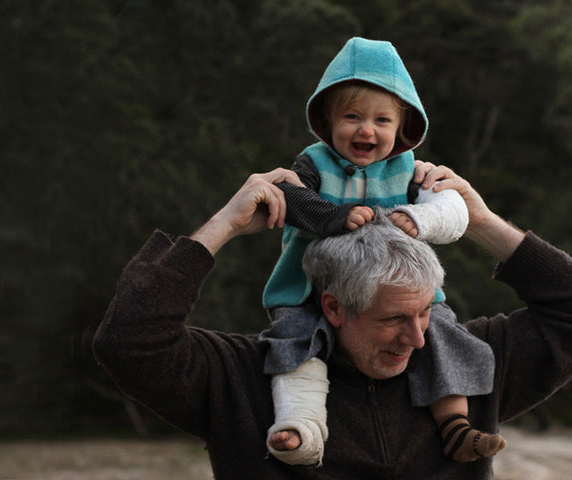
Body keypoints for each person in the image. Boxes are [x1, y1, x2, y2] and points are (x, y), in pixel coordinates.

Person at [91, 164, 572, 479]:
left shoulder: (467, 361)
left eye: (426, 312)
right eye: (393, 319)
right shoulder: (245, 381)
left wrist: (480, 222)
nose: (418, 338)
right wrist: (225, 225)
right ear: (333, 307)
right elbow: (130, 343)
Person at [261, 36, 500, 465]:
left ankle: (455, 425)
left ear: (402, 128)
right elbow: (286, 195)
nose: (366, 130)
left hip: (396, 291)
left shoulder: (409, 170)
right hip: (310, 288)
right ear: (328, 121)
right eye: (352, 116)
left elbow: (452, 209)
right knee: (295, 344)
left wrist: (422, 219)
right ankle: (301, 427)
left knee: (440, 332)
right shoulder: (314, 164)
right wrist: (334, 217)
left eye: (382, 120)